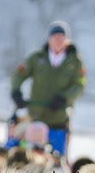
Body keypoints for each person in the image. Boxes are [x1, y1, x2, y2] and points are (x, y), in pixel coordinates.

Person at [11, 21, 85, 158]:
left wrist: (65, 98)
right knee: (27, 155)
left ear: (66, 40)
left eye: (61, 37)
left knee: (55, 159)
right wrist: (16, 91)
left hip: (58, 119)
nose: (57, 40)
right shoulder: (37, 58)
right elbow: (19, 74)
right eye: (54, 37)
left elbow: (80, 85)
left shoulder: (75, 62)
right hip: (35, 116)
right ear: (49, 39)